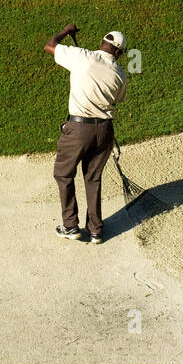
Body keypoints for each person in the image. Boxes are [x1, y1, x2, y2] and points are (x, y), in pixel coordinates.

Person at [43, 23, 128, 244]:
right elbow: (116, 100)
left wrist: (65, 31)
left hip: (78, 129)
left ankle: (70, 225)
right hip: (104, 131)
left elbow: (50, 46)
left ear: (103, 43)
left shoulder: (82, 56)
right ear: (118, 52)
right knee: (93, 178)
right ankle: (96, 230)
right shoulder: (120, 74)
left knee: (63, 174)